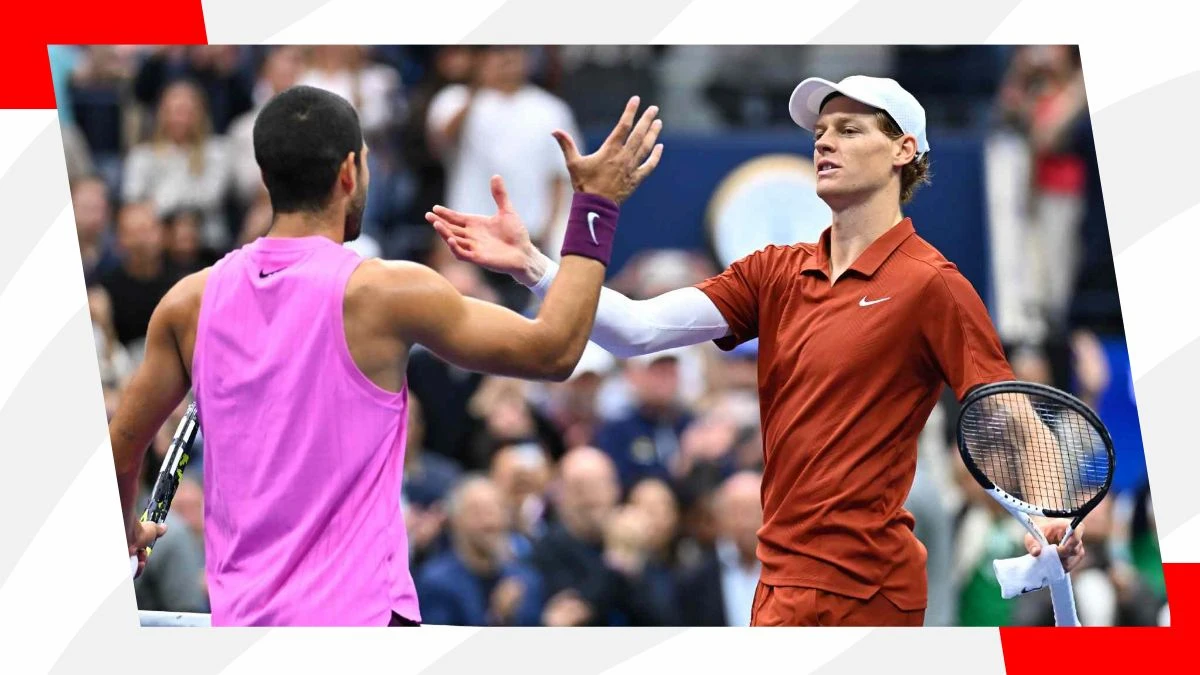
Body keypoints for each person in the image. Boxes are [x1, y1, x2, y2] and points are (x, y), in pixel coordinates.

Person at [427, 75, 1087, 627]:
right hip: (778, 585)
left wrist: (1050, 515)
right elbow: (632, 328)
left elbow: (1004, 415)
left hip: (870, 592)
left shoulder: (933, 283)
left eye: (850, 129)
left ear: (902, 150)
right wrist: (538, 266)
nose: (824, 140)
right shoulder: (774, 271)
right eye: (820, 131)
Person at [108, 86, 664, 627]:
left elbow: (121, 449)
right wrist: (595, 204)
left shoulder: (189, 302)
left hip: (244, 630)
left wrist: (127, 528)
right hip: (362, 629)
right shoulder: (385, 293)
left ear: (266, 176)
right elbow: (556, 350)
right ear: (349, 172)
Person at [414, 476, 544, 626]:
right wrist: (497, 618)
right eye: (478, 512)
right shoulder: (435, 583)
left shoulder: (527, 581)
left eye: (497, 509)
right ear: (455, 520)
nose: (490, 521)